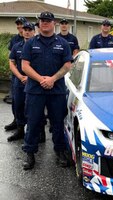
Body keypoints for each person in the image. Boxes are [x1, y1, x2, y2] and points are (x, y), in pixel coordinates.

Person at [21, 11, 73, 170]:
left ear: (54, 23)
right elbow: (24, 66)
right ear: (39, 23)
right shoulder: (30, 43)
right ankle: (29, 153)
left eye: (47, 20)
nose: (44, 23)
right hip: (35, 91)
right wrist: (41, 79)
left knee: (58, 122)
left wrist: (52, 79)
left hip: (56, 91)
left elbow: (67, 65)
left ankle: (60, 152)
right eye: (42, 20)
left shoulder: (62, 43)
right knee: (33, 122)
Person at [7, 22, 35, 142]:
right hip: (19, 81)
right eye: (25, 30)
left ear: (34, 31)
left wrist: (30, 77)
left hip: (34, 82)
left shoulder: (38, 45)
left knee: (34, 107)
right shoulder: (16, 46)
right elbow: (12, 63)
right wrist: (20, 77)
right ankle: (20, 130)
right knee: (18, 106)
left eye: (30, 30)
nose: (27, 32)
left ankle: (37, 133)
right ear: (22, 31)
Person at [4, 16, 27, 131]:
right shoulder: (14, 40)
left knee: (30, 102)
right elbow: (11, 59)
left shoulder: (32, 38)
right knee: (16, 101)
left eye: (21, 24)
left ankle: (35, 129)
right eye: (17, 24)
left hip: (30, 76)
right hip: (16, 76)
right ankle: (16, 122)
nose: (19, 26)